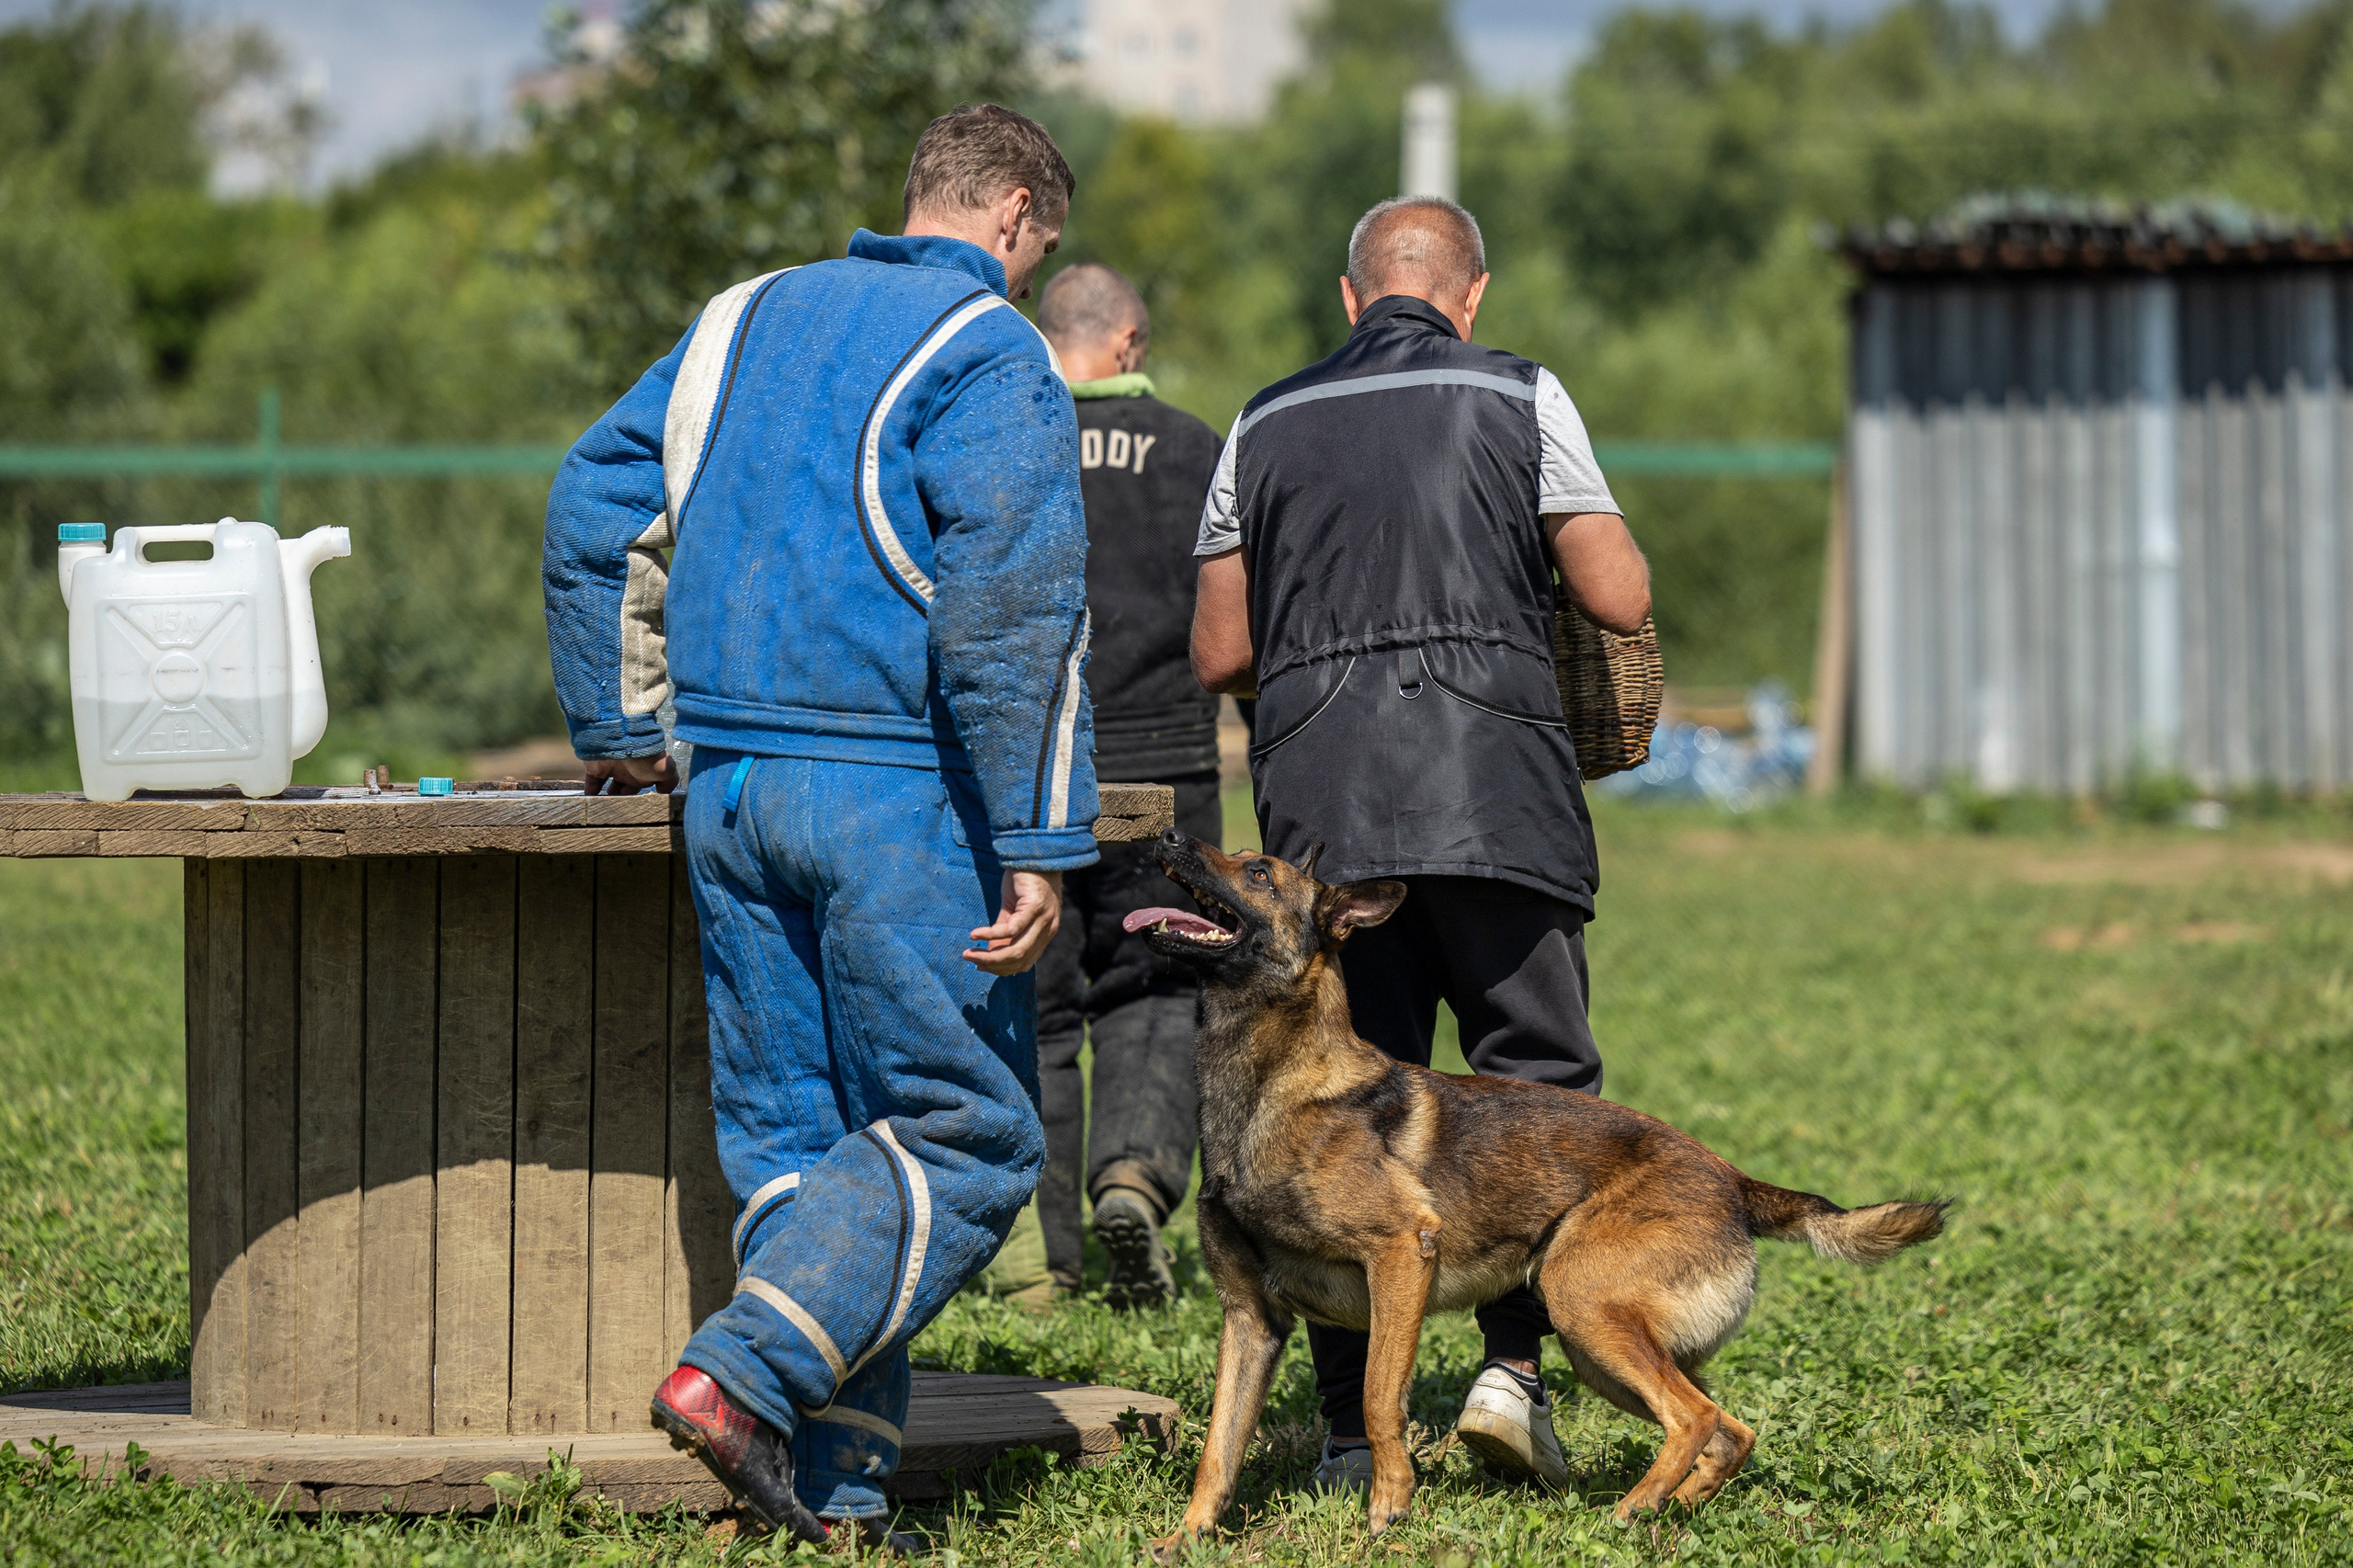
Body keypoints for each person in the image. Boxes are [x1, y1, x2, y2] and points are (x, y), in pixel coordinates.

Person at [541, 105, 1097, 1548]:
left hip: (722, 789)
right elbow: (1011, 612)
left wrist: (619, 723)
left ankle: (830, 1487)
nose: (1036, 274)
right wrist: (1040, 835)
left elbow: (596, 498)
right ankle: (742, 1375)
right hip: (894, 796)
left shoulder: (739, 318)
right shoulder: (989, 352)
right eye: (1043, 246)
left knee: (806, 1141)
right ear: (1016, 211)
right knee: (968, 1139)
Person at [1188, 197, 1651, 1493]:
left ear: (1350, 299)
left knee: (1339, 1116)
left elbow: (1220, 649)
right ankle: (1511, 1371)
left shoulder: (1263, 418)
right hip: (1500, 790)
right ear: (1473, 293)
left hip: (1333, 830)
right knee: (1536, 1085)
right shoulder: (1523, 393)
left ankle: (1345, 1433)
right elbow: (1620, 595)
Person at [1029, 264, 1223, 1308]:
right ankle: (1135, 1180)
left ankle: (1045, 1260)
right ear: (1131, 342)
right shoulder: (1197, 450)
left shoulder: (1006, 440)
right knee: (1157, 987)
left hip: (1030, 767)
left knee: (1043, 1001)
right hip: (1170, 763)